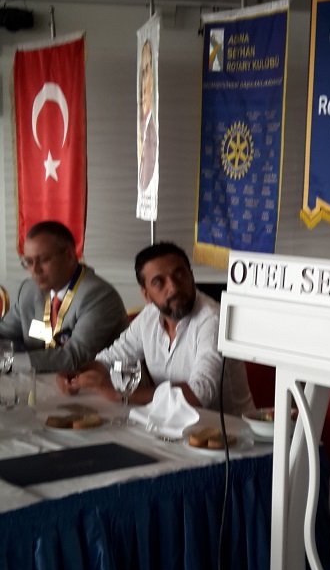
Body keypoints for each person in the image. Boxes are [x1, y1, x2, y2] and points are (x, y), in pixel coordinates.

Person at [58, 241, 254, 414]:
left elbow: (199, 393)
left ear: (191, 276)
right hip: (172, 422)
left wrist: (122, 394)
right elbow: (110, 359)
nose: (173, 287)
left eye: (180, 275)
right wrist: (75, 375)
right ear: (146, 295)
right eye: (159, 282)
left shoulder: (213, 319)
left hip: (228, 432)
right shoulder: (149, 316)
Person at [0, 220, 128, 372]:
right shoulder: (29, 290)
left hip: (88, 381)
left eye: (44, 260)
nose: (35, 270)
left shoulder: (99, 296)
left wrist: (9, 362)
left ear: (69, 256)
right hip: (37, 379)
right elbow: (5, 333)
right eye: (28, 261)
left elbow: (75, 357)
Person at [138, 38, 158, 194]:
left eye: (147, 70)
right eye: (143, 72)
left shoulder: (153, 127)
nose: (145, 79)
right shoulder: (140, 121)